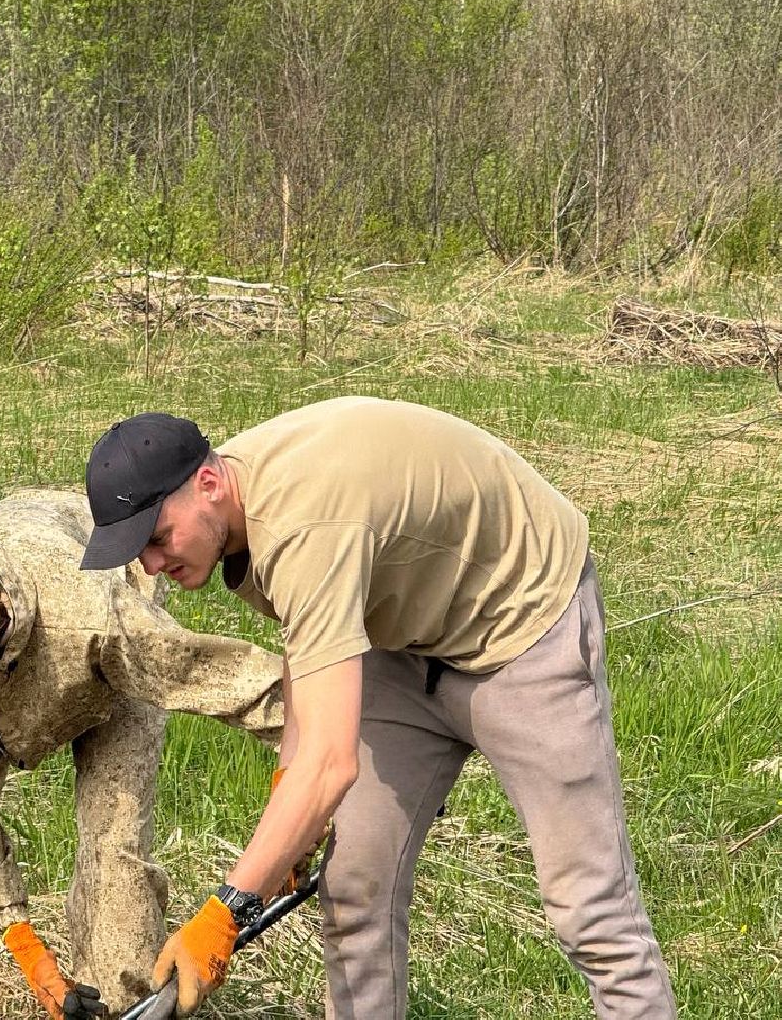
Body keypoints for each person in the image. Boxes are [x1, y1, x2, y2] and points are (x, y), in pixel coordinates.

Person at [79, 399, 677, 1019]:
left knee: (590, 911)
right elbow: (306, 656)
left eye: (155, 537)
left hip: (522, 627)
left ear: (207, 483)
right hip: (402, 642)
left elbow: (331, 765)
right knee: (354, 893)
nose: (151, 563)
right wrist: (291, 823)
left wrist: (223, 913)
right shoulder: (236, 511)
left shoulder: (302, 524)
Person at [0, 488, 284, 1020]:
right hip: (3, 621)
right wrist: (25, 945)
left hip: (93, 641)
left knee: (116, 854)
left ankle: (125, 1006)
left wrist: (313, 763)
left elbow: (224, 678)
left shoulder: (99, 622)